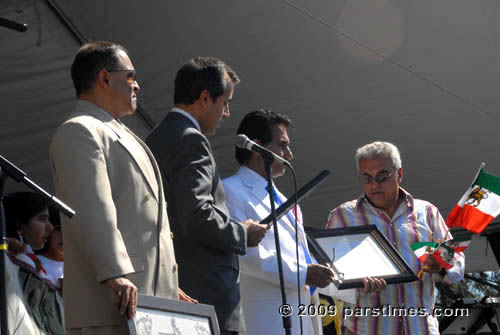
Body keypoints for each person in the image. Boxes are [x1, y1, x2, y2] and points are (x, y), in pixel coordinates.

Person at [50, 41, 182, 334]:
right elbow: (91, 210)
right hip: (109, 303)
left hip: (147, 299)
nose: (137, 86)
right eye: (131, 76)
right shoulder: (80, 129)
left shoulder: (119, 132)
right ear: (105, 78)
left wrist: (166, 285)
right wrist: (115, 274)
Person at [146, 57, 267, 335]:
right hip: (207, 296)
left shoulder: (154, 137)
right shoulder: (191, 139)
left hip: (174, 286)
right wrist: (241, 233)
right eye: (225, 103)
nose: (226, 113)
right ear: (204, 98)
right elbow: (197, 215)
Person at [326, 141, 465, 335]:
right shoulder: (342, 216)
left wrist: (441, 266)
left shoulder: (428, 212)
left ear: (399, 174)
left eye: (382, 177)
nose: (374, 185)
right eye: (367, 178)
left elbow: (457, 262)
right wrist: (356, 284)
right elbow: (328, 280)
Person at [222, 110, 335, 335]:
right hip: (266, 319)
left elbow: (299, 253)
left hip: (301, 315)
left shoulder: (279, 195)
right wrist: (303, 272)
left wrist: (331, 275)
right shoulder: (229, 190)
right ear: (257, 148)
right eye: (282, 145)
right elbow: (244, 256)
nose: (289, 154)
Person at [3, 191, 64, 334]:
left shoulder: (29, 259)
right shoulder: (8, 255)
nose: (50, 227)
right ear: (19, 226)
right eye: (42, 219)